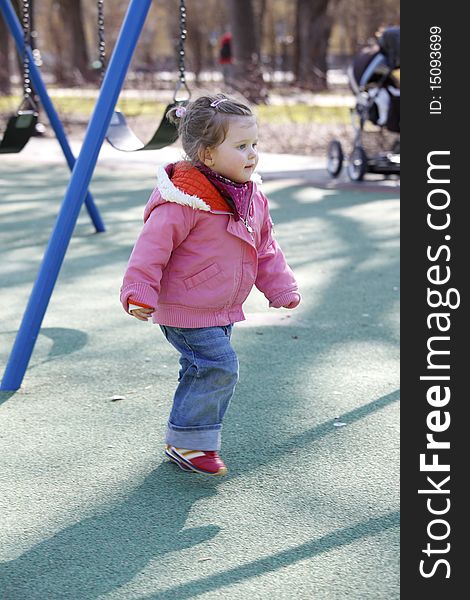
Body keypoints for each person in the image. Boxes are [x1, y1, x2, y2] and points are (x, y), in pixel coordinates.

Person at [120, 94, 301, 477]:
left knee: (199, 368)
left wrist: (280, 287)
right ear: (207, 155)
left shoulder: (251, 198)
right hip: (185, 307)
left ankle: (180, 437)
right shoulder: (182, 202)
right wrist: (139, 292)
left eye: (254, 145)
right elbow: (150, 250)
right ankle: (191, 442)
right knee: (219, 366)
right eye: (240, 146)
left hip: (221, 307)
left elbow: (264, 246)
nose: (252, 154)